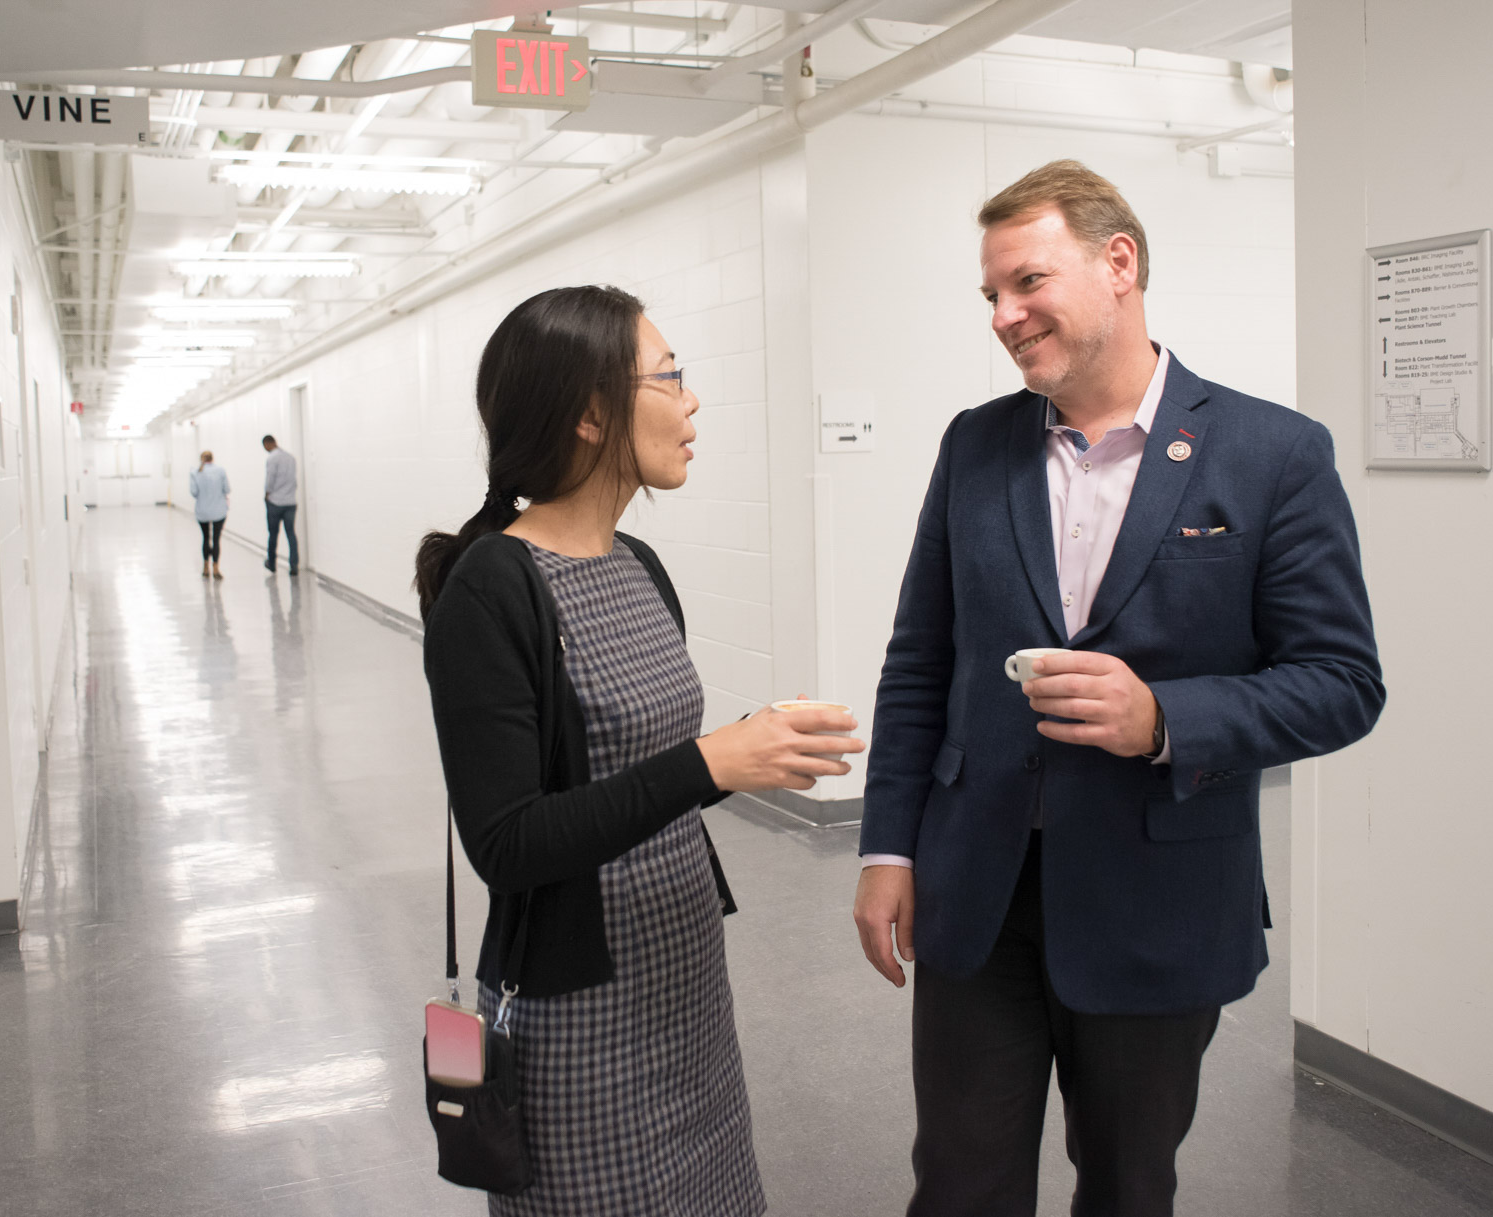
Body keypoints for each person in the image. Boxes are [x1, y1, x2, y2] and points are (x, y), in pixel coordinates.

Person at [852, 160, 1385, 1217]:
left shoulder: (1269, 452)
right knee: (957, 1185)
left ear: (1118, 264)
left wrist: (1163, 718)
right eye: (990, 294)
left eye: (1027, 282)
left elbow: (1339, 681)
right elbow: (920, 658)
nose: (1004, 315)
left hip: (1157, 900)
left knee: (1129, 1185)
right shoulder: (974, 445)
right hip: (978, 893)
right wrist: (886, 847)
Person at [417, 285, 864, 1217]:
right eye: (670, 378)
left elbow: (641, 772)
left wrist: (745, 748)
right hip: (578, 1011)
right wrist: (710, 763)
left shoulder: (638, 565)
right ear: (588, 413)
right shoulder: (490, 587)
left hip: (684, 976)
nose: (692, 401)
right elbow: (507, 842)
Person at [188, 450, 230, 579]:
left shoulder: (195, 473)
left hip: (203, 512)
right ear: (212, 458)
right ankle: (216, 567)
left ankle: (205, 567)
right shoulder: (221, 470)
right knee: (216, 539)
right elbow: (227, 489)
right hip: (219, 511)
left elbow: (194, 492)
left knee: (206, 538)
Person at [262, 434, 300, 575]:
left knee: (273, 534)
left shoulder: (272, 458)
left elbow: (270, 479)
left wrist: (267, 493)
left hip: (275, 502)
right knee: (291, 533)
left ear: (268, 444)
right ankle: (294, 565)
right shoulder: (291, 458)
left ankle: (272, 563)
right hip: (290, 501)